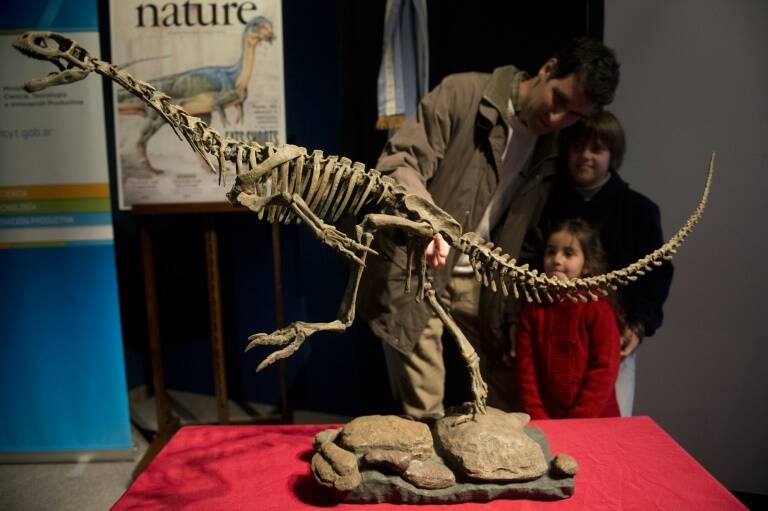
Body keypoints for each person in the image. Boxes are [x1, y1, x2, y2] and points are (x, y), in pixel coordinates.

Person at [357, 37, 621, 418]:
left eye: (574, 116)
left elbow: (528, 231)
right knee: (424, 405)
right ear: (547, 69)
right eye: (559, 101)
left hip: (482, 280)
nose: (558, 119)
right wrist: (425, 219)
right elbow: (401, 162)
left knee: (506, 401)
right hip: (419, 265)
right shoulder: (463, 93)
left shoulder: (552, 146)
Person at [536, 110, 673, 416]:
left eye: (596, 149)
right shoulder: (544, 203)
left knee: (609, 431)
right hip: (550, 345)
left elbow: (658, 275)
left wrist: (640, 324)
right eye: (577, 147)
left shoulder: (639, 210)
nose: (585, 156)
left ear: (613, 154)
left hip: (615, 341)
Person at [515, 218, 621, 419]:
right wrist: (539, 418)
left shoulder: (598, 309)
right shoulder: (533, 309)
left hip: (596, 422)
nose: (557, 260)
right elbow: (526, 370)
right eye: (551, 251)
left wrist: (578, 421)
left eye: (569, 253)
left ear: (587, 264)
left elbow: (604, 371)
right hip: (548, 422)